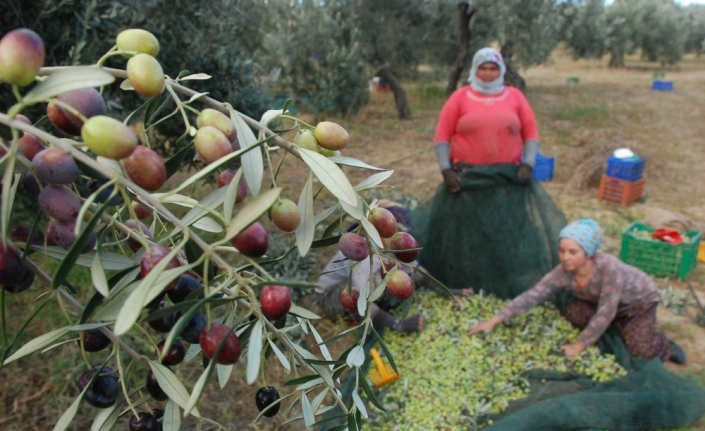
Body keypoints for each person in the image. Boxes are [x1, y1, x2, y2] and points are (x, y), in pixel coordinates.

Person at [413, 47, 567, 299]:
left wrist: (528, 164)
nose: (487, 73)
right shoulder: (460, 97)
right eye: (482, 68)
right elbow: (442, 138)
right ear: (474, 70)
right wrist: (446, 170)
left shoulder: (515, 97)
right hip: (468, 179)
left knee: (505, 228)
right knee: (468, 231)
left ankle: (504, 277)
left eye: (492, 68)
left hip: (507, 178)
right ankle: (466, 279)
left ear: (501, 71)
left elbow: (531, 134)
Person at [467, 219, 687, 364]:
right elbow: (533, 295)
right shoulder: (563, 272)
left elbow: (606, 311)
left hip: (638, 304)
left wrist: (579, 345)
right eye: (562, 251)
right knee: (573, 313)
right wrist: (494, 320)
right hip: (606, 304)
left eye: (573, 252)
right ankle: (619, 326)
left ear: (588, 252)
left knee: (639, 349)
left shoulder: (609, 268)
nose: (565, 257)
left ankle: (665, 346)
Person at [315, 201, 471, 333]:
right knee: (385, 282)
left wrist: (445, 291)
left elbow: (414, 270)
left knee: (397, 276)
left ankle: (379, 311)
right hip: (331, 295)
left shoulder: (392, 244)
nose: (399, 236)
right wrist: (399, 324)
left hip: (363, 286)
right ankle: (352, 318)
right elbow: (361, 299)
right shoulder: (363, 254)